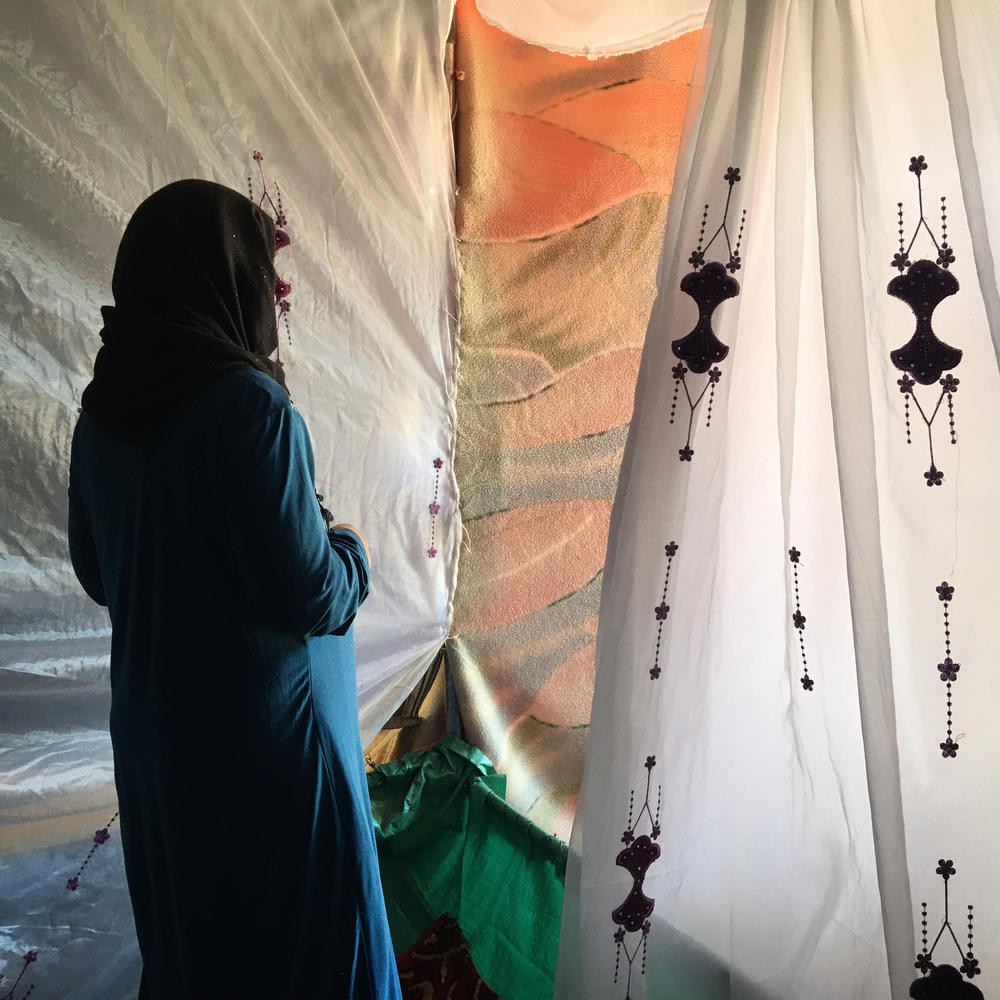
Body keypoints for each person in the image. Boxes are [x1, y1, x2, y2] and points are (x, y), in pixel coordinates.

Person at [68, 179, 402, 999]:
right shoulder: (250, 409)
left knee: (202, 948)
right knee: (311, 952)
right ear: (229, 279)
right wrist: (351, 548)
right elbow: (310, 594)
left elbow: (97, 573)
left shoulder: (102, 417)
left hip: (159, 748)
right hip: (267, 756)